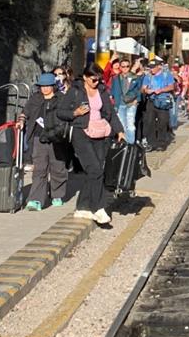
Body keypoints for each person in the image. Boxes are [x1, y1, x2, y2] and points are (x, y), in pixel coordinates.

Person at [59, 63, 122, 228]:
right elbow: (61, 112)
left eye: (99, 79)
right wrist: (75, 113)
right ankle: (98, 208)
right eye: (94, 79)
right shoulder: (75, 90)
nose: (97, 82)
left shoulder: (102, 90)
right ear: (85, 77)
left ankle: (82, 207)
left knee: (94, 171)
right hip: (81, 133)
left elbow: (110, 112)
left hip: (100, 134)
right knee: (95, 170)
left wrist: (119, 130)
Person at [23, 72, 73, 210]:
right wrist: (21, 120)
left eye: (47, 86)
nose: (44, 88)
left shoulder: (61, 98)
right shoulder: (35, 98)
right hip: (39, 137)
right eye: (42, 86)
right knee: (39, 169)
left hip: (57, 138)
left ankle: (57, 195)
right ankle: (36, 199)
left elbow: (68, 114)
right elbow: (25, 112)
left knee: (58, 167)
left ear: (53, 86)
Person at [112, 58, 143, 147]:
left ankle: (131, 144)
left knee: (130, 124)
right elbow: (113, 91)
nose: (125, 68)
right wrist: (115, 103)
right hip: (120, 104)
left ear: (130, 67)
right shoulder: (116, 78)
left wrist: (137, 100)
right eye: (123, 66)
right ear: (120, 67)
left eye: (127, 66)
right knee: (122, 124)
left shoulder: (134, 77)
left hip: (131, 104)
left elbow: (139, 89)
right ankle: (125, 142)